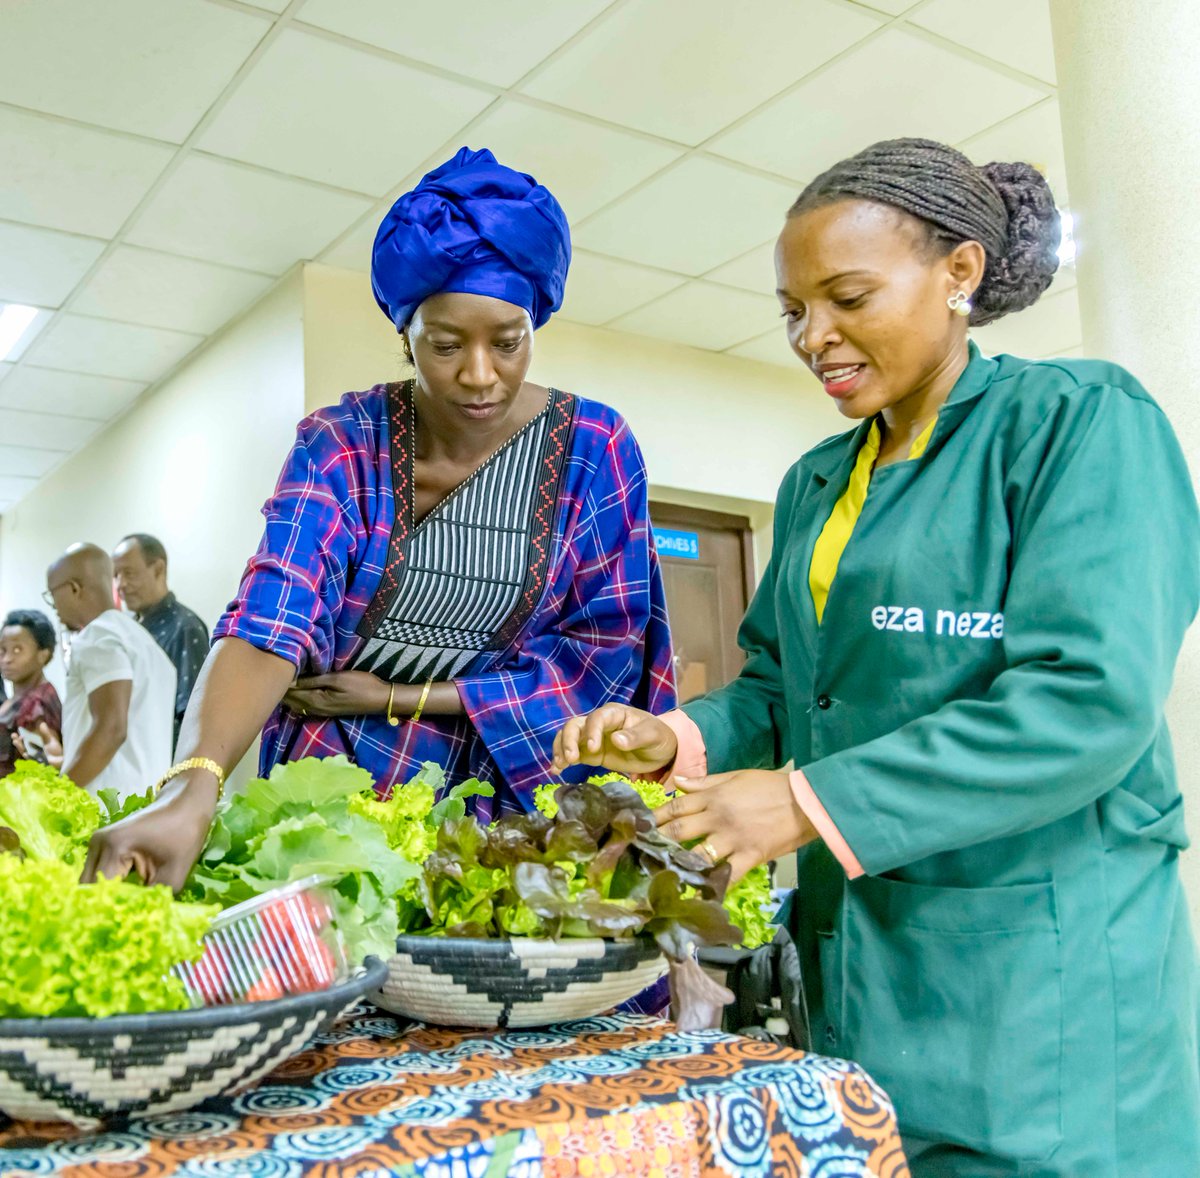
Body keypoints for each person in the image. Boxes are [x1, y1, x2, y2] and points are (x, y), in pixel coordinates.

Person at [553, 139, 1200, 1175]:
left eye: (847, 295)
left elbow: (1090, 699)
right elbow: (779, 681)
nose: (815, 336)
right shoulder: (819, 481)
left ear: (960, 273)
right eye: (793, 311)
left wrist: (805, 803)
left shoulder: (1077, 423)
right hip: (866, 974)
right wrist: (673, 734)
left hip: (1043, 999)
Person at [83, 146, 675, 890]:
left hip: (517, 810)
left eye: (509, 341)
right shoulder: (341, 442)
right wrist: (192, 786)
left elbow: (602, 656)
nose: (479, 374)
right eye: (446, 344)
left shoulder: (595, 450)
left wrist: (403, 695)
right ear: (405, 334)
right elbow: (271, 614)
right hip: (339, 803)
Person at [44, 543, 176, 799]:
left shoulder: (96, 636)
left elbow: (111, 728)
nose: (54, 607)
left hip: (107, 811)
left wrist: (60, 795)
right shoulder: (144, 642)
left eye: (52, 595)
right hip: (148, 804)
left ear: (74, 588)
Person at [112, 533, 209, 750]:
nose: (121, 585)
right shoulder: (127, 629)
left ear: (158, 569)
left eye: (128, 573)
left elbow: (192, 719)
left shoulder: (185, 627)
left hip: (161, 770)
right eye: (116, 575)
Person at [0, 609, 62, 776]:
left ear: (43, 654)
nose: (6, 659)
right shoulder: (18, 699)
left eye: (17, 650)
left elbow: (52, 759)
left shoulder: (37, 703)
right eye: (2, 650)